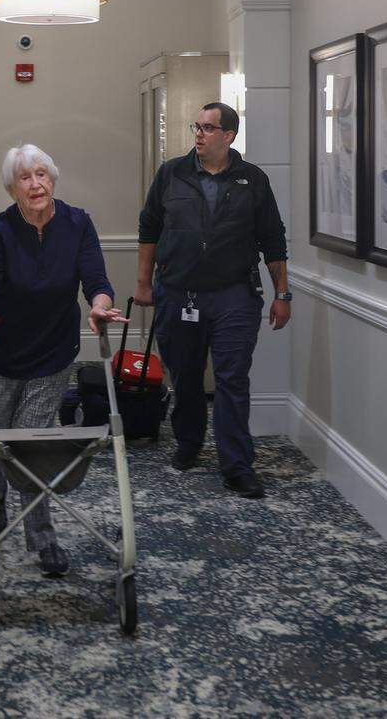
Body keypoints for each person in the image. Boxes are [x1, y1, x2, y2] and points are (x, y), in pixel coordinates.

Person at [0, 144, 126, 576]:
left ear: (52, 178)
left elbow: (97, 280)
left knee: (29, 447)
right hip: (2, 353)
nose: (35, 184)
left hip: (52, 355)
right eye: (24, 178)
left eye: (41, 174)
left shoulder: (77, 224)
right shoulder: (1, 230)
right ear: (12, 188)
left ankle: (42, 537)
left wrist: (99, 304)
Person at [135, 102, 290, 499]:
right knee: (185, 376)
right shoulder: (172, 173)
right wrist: (143, 284)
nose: (199, 134)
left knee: (232, 378)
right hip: (178, 292)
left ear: (229, 136)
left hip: (234, 296)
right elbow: (149, 227)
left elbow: (272, 238)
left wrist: (282, 293)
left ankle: (237, 464)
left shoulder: (252, 181)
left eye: (207, 128)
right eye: (197, 127)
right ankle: (189, 443)